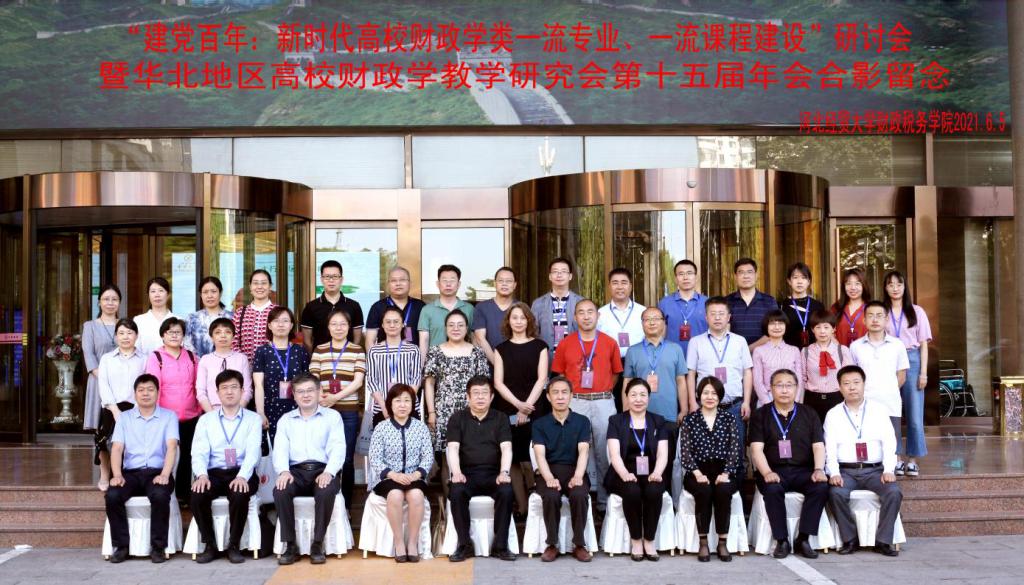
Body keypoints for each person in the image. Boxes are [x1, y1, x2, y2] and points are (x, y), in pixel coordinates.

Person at [749, 369, 829, 559]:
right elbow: (756, 449)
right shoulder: (761, 414)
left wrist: (818, 469)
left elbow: (818, 446)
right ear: (771, 388)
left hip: (803, 470)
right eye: (779, 385)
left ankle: (804, 538)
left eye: (789, 385)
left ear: (796, 388)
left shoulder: (809, 413)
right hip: (774, 470)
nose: (784, 390)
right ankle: (782, 540)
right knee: (772, 489)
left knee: (820, 486)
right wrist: (767, 472)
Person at [551, 299, 623, 508]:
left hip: (603, 401)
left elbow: (616, 374)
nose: (586, 316)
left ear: (598, 316)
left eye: (590, 312)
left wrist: (602, 389)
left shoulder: (609, 342)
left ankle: (604, 501)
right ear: (575, 318)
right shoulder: (566, 343)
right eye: (581, 313)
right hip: (576, 402)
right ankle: (578, 497)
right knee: (574, 449)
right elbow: (559, 375)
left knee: (605, 450)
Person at [825, 365, 904, 557]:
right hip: (846, 471)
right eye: (846, 383)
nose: (852, 387)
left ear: (863, 384)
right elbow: (829, 448)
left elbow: (889, 442)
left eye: (856, 382)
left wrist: (889, 469)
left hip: (875, 471)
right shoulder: (833, 414)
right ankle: (850, 539)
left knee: (894, 492)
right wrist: (834, 473)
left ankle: (883, 541)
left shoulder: (878, 410)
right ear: (839, 387)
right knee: (835, 493)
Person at [104, 374, 179, 564]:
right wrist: (117, 475)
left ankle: (158, 547)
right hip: (131, 474)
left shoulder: (169, 416)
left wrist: (165, 474)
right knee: (112, 495)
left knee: (160, 495)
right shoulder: (124, 418)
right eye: (141, 390)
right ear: (135, 394)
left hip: (157, 473)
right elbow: (117, 448)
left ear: (158, 393)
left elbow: (172, 447)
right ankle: (121, 547)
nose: (146, 394)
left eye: (150, 390)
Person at [189, 369, 262, 564]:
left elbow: (253, 453)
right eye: (224, 388)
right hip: (213, 474)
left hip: (242, 472)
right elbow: (199, 452)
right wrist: (201, 475)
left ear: (242, 391)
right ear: (217, 392)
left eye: (234, 387)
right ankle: (209, 544)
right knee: (197, 494)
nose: (229, 392)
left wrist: (242, 476)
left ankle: (234, 545)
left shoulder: (253, 419)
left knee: (239, 493)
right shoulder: (206, 420)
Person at [272, 373, 346, 566]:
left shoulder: (332, 417)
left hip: (323, 469)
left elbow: (338, 448)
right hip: (295, 472)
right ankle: (290, 545)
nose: (305, 395)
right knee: (280, 490)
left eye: (310, 390)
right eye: (300, 392)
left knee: (325, 490)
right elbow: (280, 450)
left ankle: (317, 544)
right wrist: (283, 471)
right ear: (294, 395)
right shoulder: (286, 420)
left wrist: (329, 472)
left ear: (319, 391)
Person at [446, 375, 517, 562]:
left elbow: (506, 448)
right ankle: (464, 545)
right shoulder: (457, 418)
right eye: (475, 393)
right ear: (468, 397)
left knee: (506, 491)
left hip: (493, 474)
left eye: (484, 393)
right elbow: (452, 448)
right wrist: (456, 473)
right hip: (466, 474)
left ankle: (500, 546)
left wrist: (504, 472)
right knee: (456, 491)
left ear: (491, 397)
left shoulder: (500, 418)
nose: (480, 397)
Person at [492, 302, 549, 518]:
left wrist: (526, 409)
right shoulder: (501, 349)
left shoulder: (540, 346)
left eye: (522, 318)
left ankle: (537, 504)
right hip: (508, 406)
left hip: (535, 406)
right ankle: (522, 506)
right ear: (508, 322)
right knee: (513, 457)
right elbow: (498, 383)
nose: (518, 322)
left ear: (529, 321)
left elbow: (542, 379)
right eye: (514, 318)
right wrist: (518, 405)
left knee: (534, 454)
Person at [367, 383, 434, 563]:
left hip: (414, 476)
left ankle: (412, 543)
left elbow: (428, 456)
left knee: (416, 495)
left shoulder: (420, 428)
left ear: (412, 404)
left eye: (407, 400)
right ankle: (398, 543)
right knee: (395, 495)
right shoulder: (382, 428)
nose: (402, 405)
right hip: (388, 478)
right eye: (398, 401)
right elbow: (375, 457)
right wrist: (393, 475)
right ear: (390, 404)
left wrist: (417, 474)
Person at [605, 379, 670, 562]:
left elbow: (663, 454)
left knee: (654, 491)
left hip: (652, 471)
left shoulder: (658, 421)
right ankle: (636, 540)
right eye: (633, 395)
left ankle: (649, 540)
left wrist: (657, 472)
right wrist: (624, 474)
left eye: (642, 395)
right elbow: (614, 454)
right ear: (626, 397)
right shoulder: (616, 421)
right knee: (631, 492)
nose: (638, 399)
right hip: (624, 471)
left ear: (648, 397)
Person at [531, 376, 594, 563]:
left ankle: (579, 544)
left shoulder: (582, 421)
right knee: (551, 495)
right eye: (555, 393)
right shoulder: (539, 424)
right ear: (548, 397)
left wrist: (578, 476)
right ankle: (552, 544)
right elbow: (539, 455)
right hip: (548, 471)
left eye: (564, 392)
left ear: (571, 396)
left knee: (579, 494)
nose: (560, 397)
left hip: (575, 470)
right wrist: (549, 477)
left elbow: (584, 451)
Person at [308, 309, 365, 510]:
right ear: (328, 327)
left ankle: (346, 507)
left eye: (343, 324)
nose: (338, 328)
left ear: (349, 327)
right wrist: (324, 396)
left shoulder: (357, 350)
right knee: (324, 457)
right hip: (324, 410)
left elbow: (358, 381)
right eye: (334, 324)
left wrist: (335, 397)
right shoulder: (319, 350)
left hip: (348, 411)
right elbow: (314, 377)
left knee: (347, 459)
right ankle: (327, 503)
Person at [679, 376, 741, 563]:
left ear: (720, 396)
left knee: (723, 491)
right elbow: (685, 452)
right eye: (705, 393)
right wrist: (697, 474)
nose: (710, 397)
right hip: (697, 470)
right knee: (704, 491)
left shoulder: (729, 418)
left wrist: (726, 473)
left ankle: (722, 542)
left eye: (714, 393)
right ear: (699, 395)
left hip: (724, 469)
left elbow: (735, 449)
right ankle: (703, 542)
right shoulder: (690, 420)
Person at [686, 297, 753, 465]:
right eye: (713, 314)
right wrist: (692, 402)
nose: (717, 317)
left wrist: (746, 401)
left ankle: (736, 483)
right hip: (705, 407)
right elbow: (691, 374)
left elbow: (747, 372)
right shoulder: (695, 342)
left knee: (736, 454)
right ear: (706, 317)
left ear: (728, 317)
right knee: (705, 454)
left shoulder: (740, 341)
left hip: (734, 406)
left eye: (721, 314)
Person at [882, 270, 932, 477]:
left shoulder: (916, 311)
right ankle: (896, 458)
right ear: (885, 288)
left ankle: (912, 459)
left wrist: (923, 373)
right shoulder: (882, 312)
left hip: (912, 360)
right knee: (891, 413)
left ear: (905, 287)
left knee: (914, 414)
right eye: (891, 284)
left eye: (899, 284)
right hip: (888, 361)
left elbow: (923, 345)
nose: (895, 288)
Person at [144, 317, 200, 500]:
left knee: (188, 455)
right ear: (163, 335)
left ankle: (183, 495)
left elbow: (198, 385)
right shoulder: (156, 357)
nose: (174, 336)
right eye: (170, 332)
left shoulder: (191, 357)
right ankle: (162, 491)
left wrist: (199, 409)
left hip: (191, 415)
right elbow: (154, 387)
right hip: (165, 416)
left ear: (183, 335)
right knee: (166, 454)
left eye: (178, 332)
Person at [423, 310, 491, 454]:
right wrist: (431, 412)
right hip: (443, 410)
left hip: (472, 410)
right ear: (445, 328)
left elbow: (485, 385)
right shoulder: (435, 352)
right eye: (451, 325)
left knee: (472, 451)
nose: (456, 328)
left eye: (460, 325)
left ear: (466, 328)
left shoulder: (477, 352)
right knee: (446, 453)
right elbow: (429, 384)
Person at [95, 318, 147, 492]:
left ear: (136, 336)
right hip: (111, 407)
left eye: (130, 333)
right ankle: (105, 475)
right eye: (121, 333)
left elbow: (146, 385)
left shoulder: (145, 359)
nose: (125, 337)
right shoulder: (107, 359)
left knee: (132, 444)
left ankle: (127, 475)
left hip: (136, 408)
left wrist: (138, 407)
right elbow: (104, 384)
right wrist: (114, 409)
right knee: (104, 442)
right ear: (116, 337)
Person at [849, 301, 909, 449]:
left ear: (886, 319)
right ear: (864, 320)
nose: (875, 320)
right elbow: (852, 376)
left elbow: (902, 376)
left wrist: (888, 390)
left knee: (893, 444)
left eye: (879, 316)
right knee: (868, 444)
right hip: (864, 403)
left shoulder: (897, 345)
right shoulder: (855, 346)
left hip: (890, 402)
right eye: (870, 316)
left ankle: (896, 461)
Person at [253, 306, 312, 442]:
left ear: (291, 325)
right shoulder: (262, 351)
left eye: (285, 321)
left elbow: (307, 384)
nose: (280, 325)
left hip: (297, 409)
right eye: (276, 321)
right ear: (269, 325)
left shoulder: (300, 351)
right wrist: (260, 412)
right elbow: (258, 385)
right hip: (270, 408)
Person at [624, 307, 688, 424]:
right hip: (639, 414)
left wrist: (684, 410)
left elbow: (681, 381)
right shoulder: (632, 351)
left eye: (656, 319)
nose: (652, 322)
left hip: (669, 413)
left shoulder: (675, 349)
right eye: (647, 319)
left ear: (664, 323)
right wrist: (626, 410)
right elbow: (627, 382)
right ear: (642, 323)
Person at [365, 306, 422, 425]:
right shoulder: (374, 351)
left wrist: (404, 403)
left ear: (403, 324)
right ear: (382, 325)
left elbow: (416, 378)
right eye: (388, 322)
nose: (392, 325)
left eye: (396, 322)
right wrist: (384, 406)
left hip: (409, 409)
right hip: (382, 409)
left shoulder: (413, 349)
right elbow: (371, 380)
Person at [801, 310, 853, 424]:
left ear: (833, 329)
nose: (822, 331)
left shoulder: (842, 350)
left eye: (826, 327)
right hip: (812, 399)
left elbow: (849, 379)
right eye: (818, 327)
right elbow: (802, 378)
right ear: (812, 329)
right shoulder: (806, 351)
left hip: (837, 398)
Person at [301, 260, 365, 351]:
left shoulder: (354, 306)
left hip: (347, 357)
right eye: (327, 277)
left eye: (335, 276)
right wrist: (316, 355)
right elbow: (307, 341)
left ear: (341, 279)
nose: (331, 280)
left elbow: (357, 339)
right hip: (320, 357)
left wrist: (351, 354)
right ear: (321, 279)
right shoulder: (311, 307)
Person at [83, 284, 122, 431]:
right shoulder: (90, 326)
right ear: (99, 302)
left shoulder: (125, 325)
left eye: (114, 299)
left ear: (119, 302)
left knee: (121, 422)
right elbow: (89, 353)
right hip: (98, 379)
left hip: (122, 380)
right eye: (106, 299)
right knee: (100, 426)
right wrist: (104, 377)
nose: (110, 303)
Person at [418, 264, 475, 359]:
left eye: (452, 280)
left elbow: (473, 338)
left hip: (464, 361)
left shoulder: (469, 309)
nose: (448, 284)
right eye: (444, 280)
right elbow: (424, 340)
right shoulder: (427, 310)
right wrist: (422, 365)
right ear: (438, 284)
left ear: (458, 284)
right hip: (435, 362)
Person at [196, 318, 252, 413]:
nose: (223, 336)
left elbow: (247, 390)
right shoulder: (205, 360)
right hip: (212, 411)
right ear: (212, 337)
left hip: (238, 411)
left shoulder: (242, 358)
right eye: (218, 332)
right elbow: (201, 391)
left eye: (227, 332)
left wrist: (237, 412)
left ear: (233, 336)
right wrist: (212, 415)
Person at [531, 257, 584, 353]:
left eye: (563, 271)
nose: (559, 275)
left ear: (570, 276)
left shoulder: (581, 302)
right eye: (555, 271)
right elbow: (532, 333)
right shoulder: (538, 304)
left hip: (574, 357)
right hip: (547, 358)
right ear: (550, 276)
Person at [364, 266, 426, 348]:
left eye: (402, 280)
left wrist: (421, 356)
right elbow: (370, 340)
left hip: (414, 355)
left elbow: (426, 338)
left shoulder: (420, 306)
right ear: (388, 284)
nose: (398, 284)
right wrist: (373, 355)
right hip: (385, 355)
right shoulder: (377, 307)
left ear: (410, 283)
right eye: (393, 280)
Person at [751, 310, 804, 408]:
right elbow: (757, 381)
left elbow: (799, 379)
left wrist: (795, 400)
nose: (777, 327)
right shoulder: (759, 351)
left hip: (791, 398)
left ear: (786, 326)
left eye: (780, 323)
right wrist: (768, 404)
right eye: (772, 324)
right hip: (767, 399)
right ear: (766, 326)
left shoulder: (794, 350)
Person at [725, 258, 778, 351]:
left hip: (764, 354)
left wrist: (748, 349)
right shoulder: (726, 302)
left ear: (756, 275)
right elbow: (724, 331)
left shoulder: (769, 301)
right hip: (734, 353)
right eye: (741, 272)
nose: (746, 276)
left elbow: (774, 330)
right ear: (735, 277)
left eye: (750, 272)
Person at [658, 260, 707, 357]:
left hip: (702, 357)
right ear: (676, 279)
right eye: (681, 274)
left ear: (696, 277)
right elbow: (659, 334)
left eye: (689, 273)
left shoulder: (707, 302)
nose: (685, 277)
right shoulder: (664, 303)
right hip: (672, 357)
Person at [597, 268, 646, 362]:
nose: (619, 287)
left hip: (638, 362)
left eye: (624, 282)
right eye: (615, 283)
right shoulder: (600, 314)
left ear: (630, 286)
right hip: (609, 362)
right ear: (609, 286)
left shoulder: (643, 311)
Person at [473, 266, 518, 364]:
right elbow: (480, 338)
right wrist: (498, 364)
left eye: (509, 281)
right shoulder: (482, 307)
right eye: (501, 280)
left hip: (516, 363)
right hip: (488, 366)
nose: (504, 284)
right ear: (495, 284)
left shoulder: (521, 308)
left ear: (515, 285)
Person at [232, 269, 277, 362]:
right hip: (244, 366)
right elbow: (233, 342)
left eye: (264, 283)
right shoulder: (240, 313)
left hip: (271, 365)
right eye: (255, 283)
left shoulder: (278, 312)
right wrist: (244, 362)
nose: (259, 287)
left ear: (270, 286)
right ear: (250, 287)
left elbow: (283, 342)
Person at [779, 263, 826, 348]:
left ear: (809, 282)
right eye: (795, 277)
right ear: (789, 281)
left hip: (813, 352)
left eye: (803, 278)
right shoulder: (782, 305)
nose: (799, 282)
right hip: (788, 352)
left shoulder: (818, 306)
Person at [185, 276, 234, 359]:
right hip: (198, 365)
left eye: (213, 291)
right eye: (205, 292)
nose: (209, 296)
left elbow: (236, 344)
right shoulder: (192, 318)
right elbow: (187, 346)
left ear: (220, 293)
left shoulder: (232, 317)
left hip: (228, 364)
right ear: (200, 295)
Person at [134, 277, 177, 354]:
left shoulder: (178, 320)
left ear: (168, 294)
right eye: (153, 291)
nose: (157, 295)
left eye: (161, 290)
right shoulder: (139, 320)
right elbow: (135, 349)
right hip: (146, 361)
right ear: (148, 295)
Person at [832, 268, 871, 347]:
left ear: (864, 286)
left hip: (864, 353)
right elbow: (829, 332)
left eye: (857, 283)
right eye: (848, 284)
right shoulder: (836, 308)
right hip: (840, 352)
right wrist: (840, 350)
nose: (853, 287)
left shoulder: (871, 308)